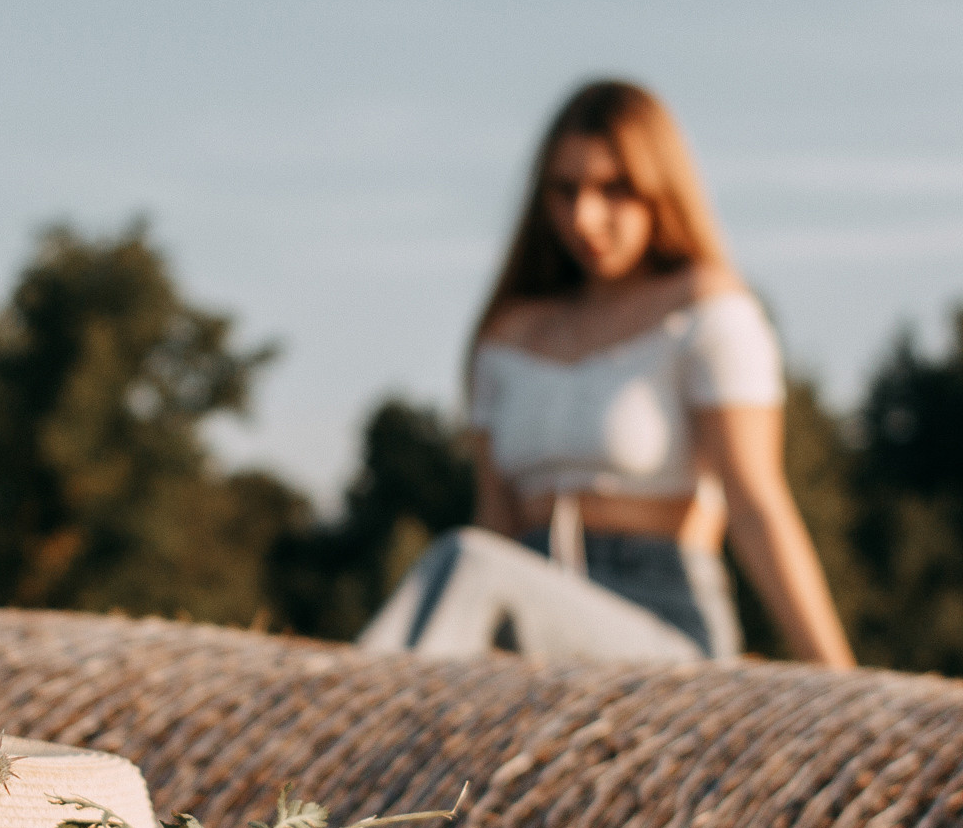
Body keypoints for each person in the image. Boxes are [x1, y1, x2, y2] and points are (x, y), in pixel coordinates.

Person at [359, 79, 855, 665]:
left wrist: (841, 681)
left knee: (470, 565)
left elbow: (756, 505)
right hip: (524, 600)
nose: (585, 217)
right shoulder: (507, 334)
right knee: (473, 564)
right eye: (565, 191)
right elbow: (495, 517)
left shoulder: (706, 310)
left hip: (663, 622)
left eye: (613, 189)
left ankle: (333, 731)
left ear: (658, 188)